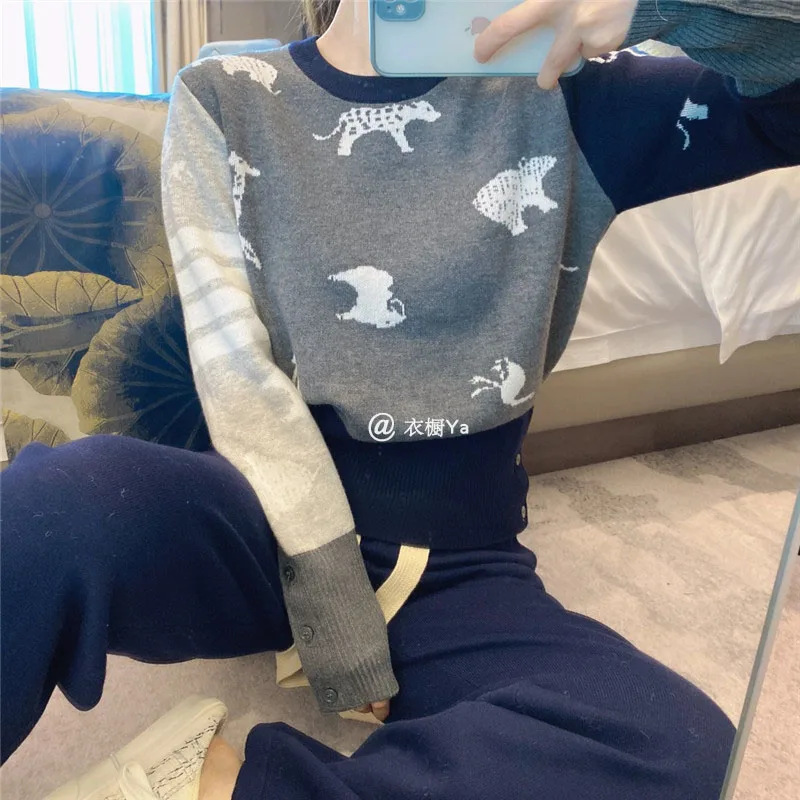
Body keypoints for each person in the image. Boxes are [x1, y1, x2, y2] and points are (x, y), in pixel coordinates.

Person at [2, 0, 797, 798]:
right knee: (55, 500)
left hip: (456, 569)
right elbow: (232, 366)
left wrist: (662, 6)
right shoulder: (223, 94)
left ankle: (207, 786)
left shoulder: (568, 94)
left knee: (682, 751)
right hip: (255, 521)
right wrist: (334, 607)